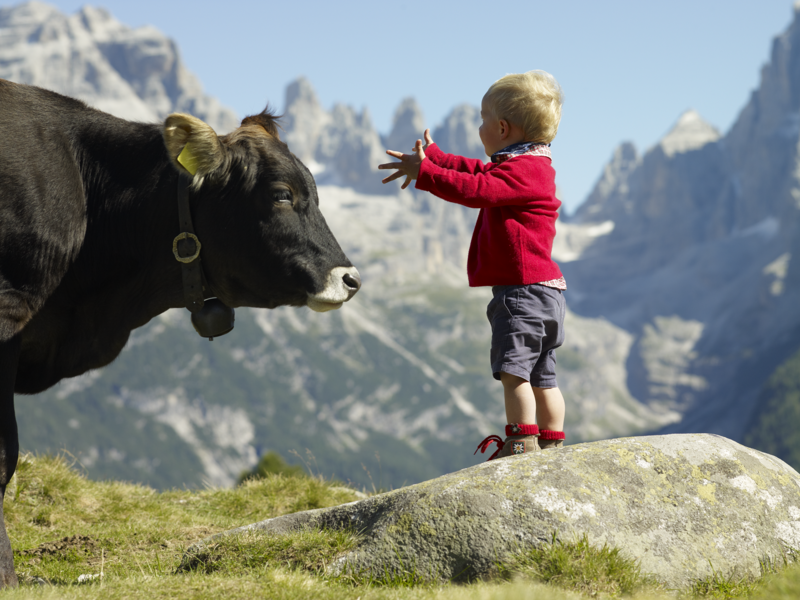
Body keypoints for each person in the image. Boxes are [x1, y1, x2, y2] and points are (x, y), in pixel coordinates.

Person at [378, 71, 567, 460]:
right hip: (548, 292)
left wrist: (426, 173)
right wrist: (438, 158)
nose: (479, 126)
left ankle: (520, 442)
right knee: (543, 376)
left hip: (522, 292)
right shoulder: (532, 166)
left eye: (482, 119)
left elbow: (478, 189)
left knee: (514, 371)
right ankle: (553, 441)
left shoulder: (523, 172)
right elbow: (480, 173)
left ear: (501, 127)